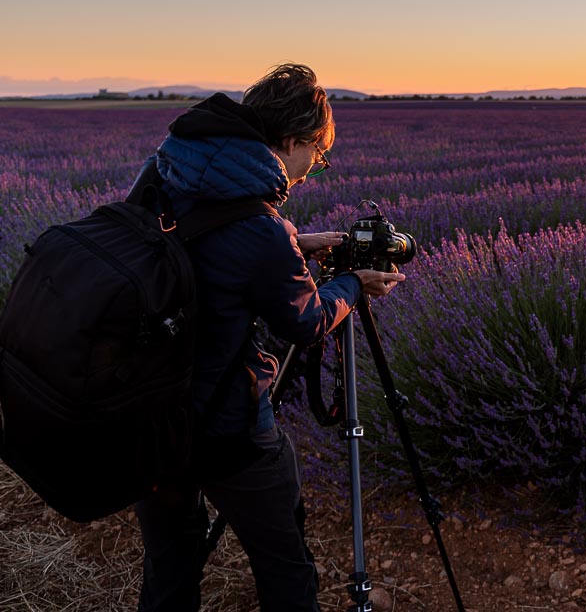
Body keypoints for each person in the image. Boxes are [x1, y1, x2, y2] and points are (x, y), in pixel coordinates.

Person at [129, 63, 401, 611]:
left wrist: (292, 243)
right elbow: (304, 321)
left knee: (169, 564)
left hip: (149, 415)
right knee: (286, 567)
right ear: (294, 140)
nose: (311, 171)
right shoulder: (261, 226)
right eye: (317, 157)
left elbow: (197, 250)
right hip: (227, 429)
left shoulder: (164, 169)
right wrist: (352, 283)